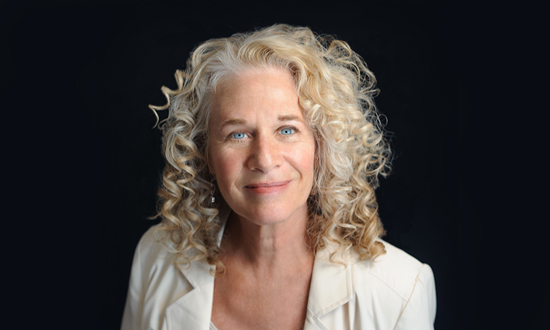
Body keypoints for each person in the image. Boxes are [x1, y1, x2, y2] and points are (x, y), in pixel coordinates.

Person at [121, 24, 436, 330]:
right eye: (238, 134)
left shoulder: (401, 290)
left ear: (321, 146)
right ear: (207, 155)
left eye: (287, 130)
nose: (264, 159)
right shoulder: (155, 257)